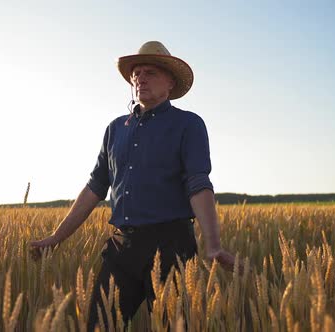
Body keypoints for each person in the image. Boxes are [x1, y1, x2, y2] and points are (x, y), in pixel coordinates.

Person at [29, 41, 238, 329]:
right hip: (122, 247)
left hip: (171, 248)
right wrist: (56, 237)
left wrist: (213, 246)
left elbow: (198, 183)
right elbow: (95, 187)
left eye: (150, 72)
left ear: (170, 82)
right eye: (137, 73)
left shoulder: (188, 125)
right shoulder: (115, 129)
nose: (140, 78)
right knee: (97, 325)